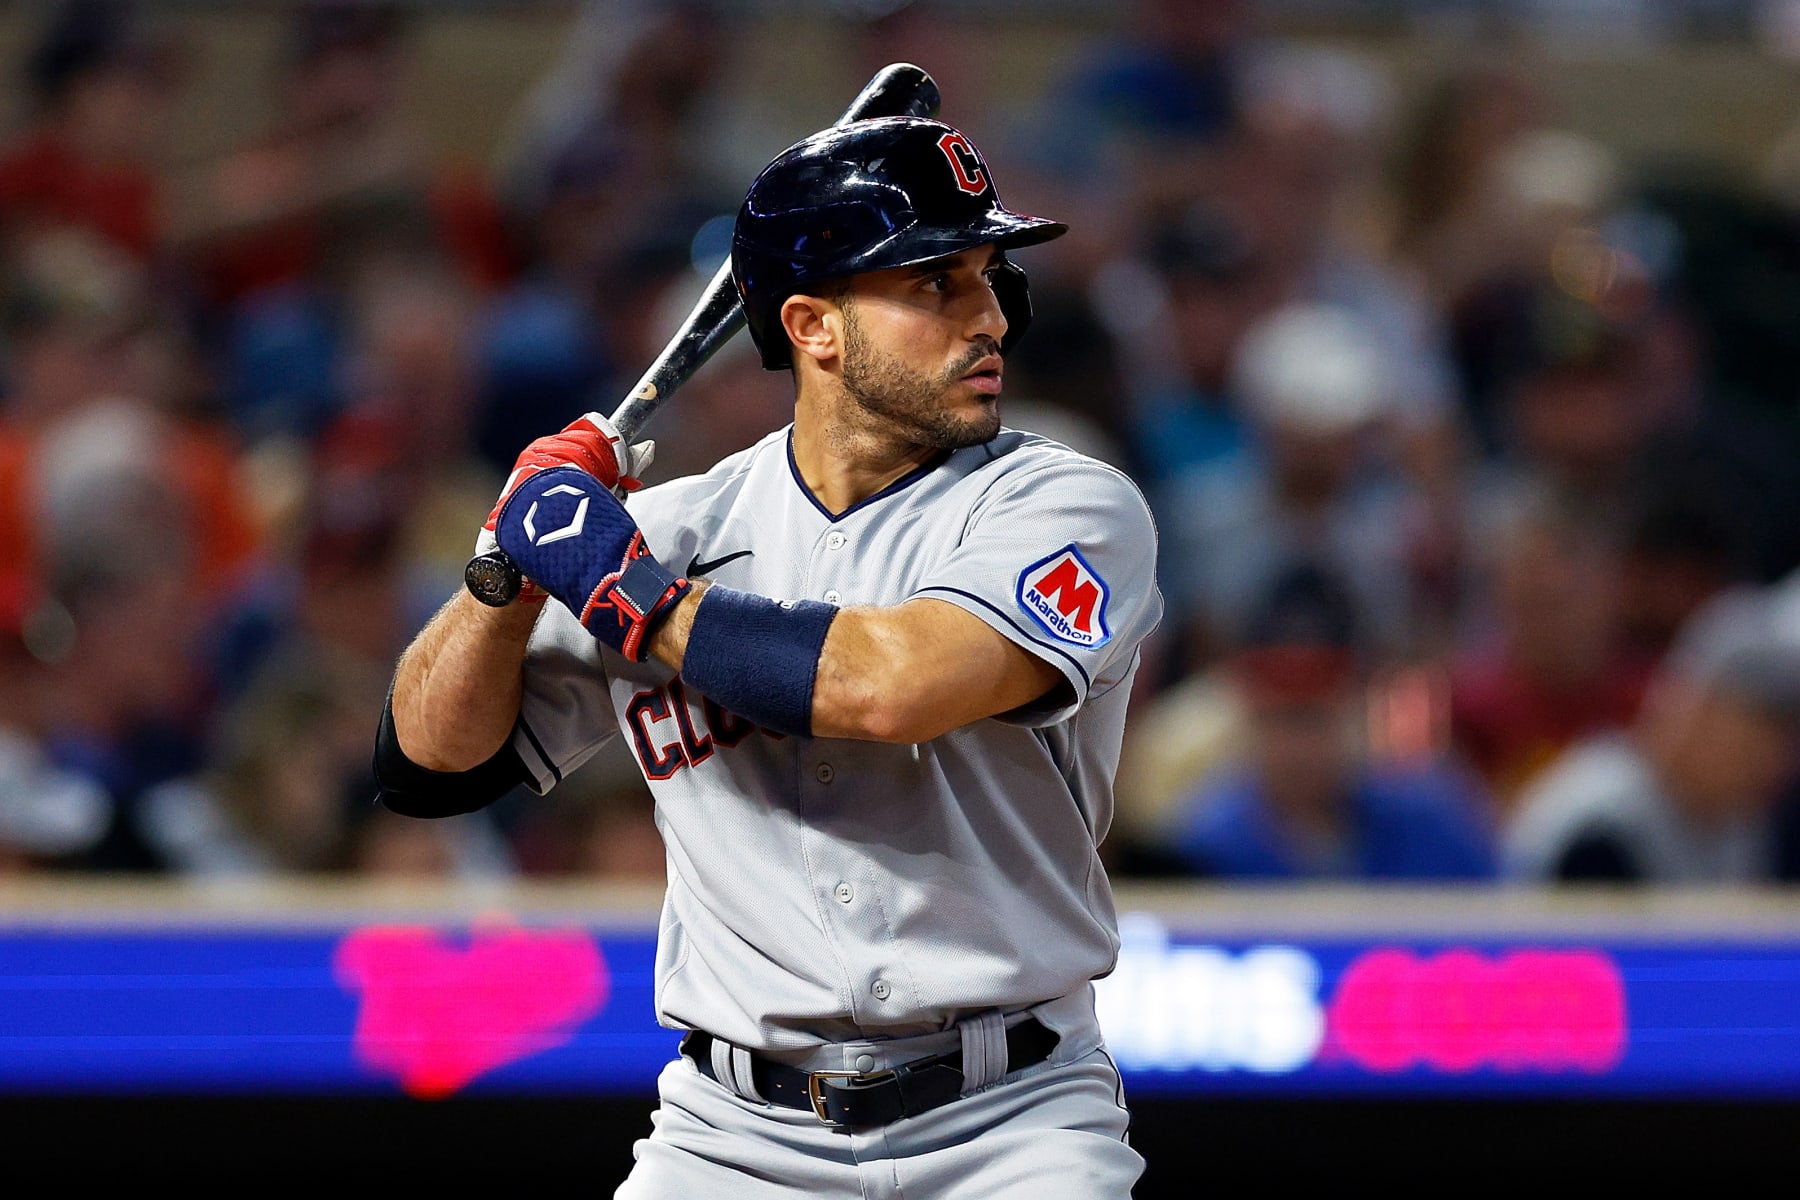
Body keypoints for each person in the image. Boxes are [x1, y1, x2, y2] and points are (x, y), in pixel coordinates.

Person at [374, 117, 1159, 1197]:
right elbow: (430, 767)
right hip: (731, 1137)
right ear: (812, 327)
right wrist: (502, 573)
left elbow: (891, 686)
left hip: (1011, 1122)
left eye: (988, 278)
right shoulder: (678, 527)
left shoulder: (1062, 499)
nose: (989, 317)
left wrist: (630, 594)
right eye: (935, 283)